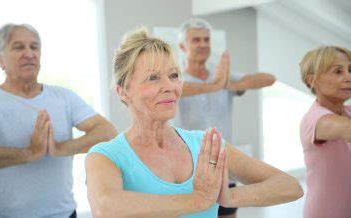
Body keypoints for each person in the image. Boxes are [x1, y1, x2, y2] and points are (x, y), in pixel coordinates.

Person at [85, 27, 303, 218]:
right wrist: (199, 199)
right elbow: (105, 208)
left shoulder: (204, 144)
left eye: (173, 75)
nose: (170, 86)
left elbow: (290, 186)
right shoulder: (104, 156)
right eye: (153, 77)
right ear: (123, 92)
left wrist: (229, 196)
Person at [0, 23, 117, 217]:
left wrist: (59, 148)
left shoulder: (63, 97)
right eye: (18, 47)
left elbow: (107, 133)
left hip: (64, 214)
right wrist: (28, 153)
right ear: (1, 59)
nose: (29, 53)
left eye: (34, 47)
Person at [174, 18, 276, 218]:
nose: (203, 44)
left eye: (206, 40)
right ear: (182, 46)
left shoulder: (223, 76)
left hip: (224, 166)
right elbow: (178, 90)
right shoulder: (175, 79)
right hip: (189, 168)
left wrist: (230, 85)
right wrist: (214, 86)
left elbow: (269, 79)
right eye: (196, 40)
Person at [299, 46, 351, 218]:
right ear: (313, 80)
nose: (348, 77)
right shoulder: (316, 119)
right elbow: (344, 128)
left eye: (350, 70)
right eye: (338, 71)